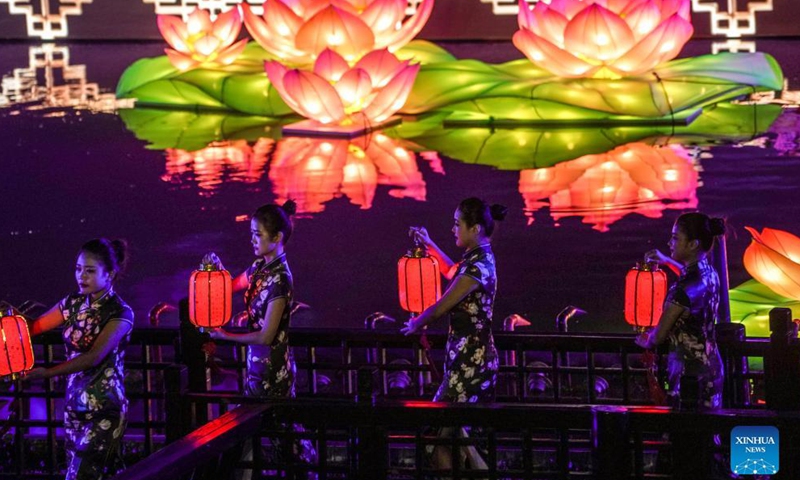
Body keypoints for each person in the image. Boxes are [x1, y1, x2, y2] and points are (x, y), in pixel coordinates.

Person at [204, 200, 315, 473]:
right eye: (252, 233)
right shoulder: (258, 269)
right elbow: (229, 286)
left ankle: (308, 470)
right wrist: (214, 273)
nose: (252, 240)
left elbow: (266, 336)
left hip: (273, 371)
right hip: (256, 367)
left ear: (277, 238)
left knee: (282, 440)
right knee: (250, 437)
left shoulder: (280, 279)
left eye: (258, 234)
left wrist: (224, 335)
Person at [401, 197, 507, 470]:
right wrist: (429, 244)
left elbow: (441, 306)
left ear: (476, 229)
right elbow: (451, 271)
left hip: (472, 362)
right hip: (466, 359)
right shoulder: (476, 259)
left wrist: (415, 324)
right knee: (454, 435)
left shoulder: (479, 266)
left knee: (444, 435)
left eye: (458, 224)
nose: (454, 229)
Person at [23, 239, 134, 480]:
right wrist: (10, 321)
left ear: (110, 274)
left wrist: (48, 372)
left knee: (80, 475)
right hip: (74, 405)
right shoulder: (72, 304)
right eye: (78, 268)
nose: (81, 276)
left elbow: (94, 357)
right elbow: (35, 327)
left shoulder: (120, 312)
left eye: (90, 271)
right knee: (98, 473)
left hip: (105, 407)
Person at [635, 212, 726, 410]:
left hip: (688, 375)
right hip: (712, 366)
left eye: (676, 238)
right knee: (711, 430)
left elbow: (658, 337)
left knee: (686, 432)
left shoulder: (680, 292)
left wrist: (645, 338)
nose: (670, 242)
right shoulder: (710, 273)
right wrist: (667, 261)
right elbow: (689, 277)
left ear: (693, 244)